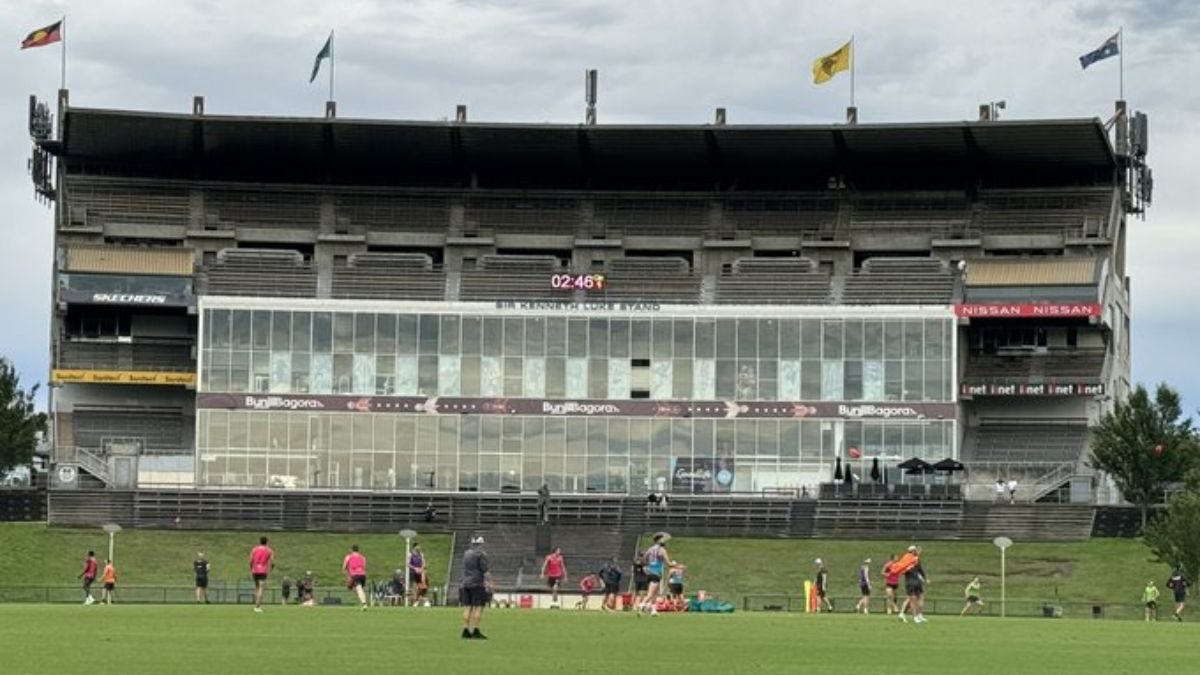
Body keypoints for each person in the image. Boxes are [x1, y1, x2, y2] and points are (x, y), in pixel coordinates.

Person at [460, 535, 492, 639]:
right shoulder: (481, 554)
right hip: (477, 583)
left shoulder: (466, 553)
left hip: (466, 583)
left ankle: (465, 630)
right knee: (478, 607)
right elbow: (485, 570)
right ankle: (476, 630)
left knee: (467, 607)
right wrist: (490, 582)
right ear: (481, 544)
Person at [894, 545, 927, 623]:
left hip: (916, 581)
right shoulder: (909, 560)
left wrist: (923, 578)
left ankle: (915, 615)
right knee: (912, 599)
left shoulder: (915, 559)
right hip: (911, 582)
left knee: (917, 598)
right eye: (914, 550)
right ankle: (915, 617)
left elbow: (919, 570)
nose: (916, 551)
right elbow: (902, 570)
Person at [641, 534, 670, 614]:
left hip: (650, 572)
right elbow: (668, 563)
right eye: (662, 540)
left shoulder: (650, 549)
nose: (664, 541)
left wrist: (646, 566)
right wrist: (678, 566)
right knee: (651, 593)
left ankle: (653, 610)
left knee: (655, 593)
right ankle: (641, 605)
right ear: (658, 541)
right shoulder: (662, 550)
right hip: (656, 573)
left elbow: (644, 558)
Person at [249, 536, 274, 613]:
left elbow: (251, 560)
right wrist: (271, 569)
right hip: (263, 570)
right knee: (261, 587)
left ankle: (255, 605)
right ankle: (258, 606)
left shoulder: (254, 549)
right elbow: (272, 562)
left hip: (255, 570)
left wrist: (251, 568)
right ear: (267, 542)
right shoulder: (269, 550)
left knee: (257, 587)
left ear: (259, 541)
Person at [342, 544, 369, 610]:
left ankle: (364, 603)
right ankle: (363, 602)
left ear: (351, 550)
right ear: (358, 550)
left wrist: (347, 575)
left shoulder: (348, 557)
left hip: (354, 575)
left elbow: (344, 567)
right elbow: (364, 566)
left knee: (355, 588)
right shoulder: (362, 557)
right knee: (359, 588)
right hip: (362, 574)